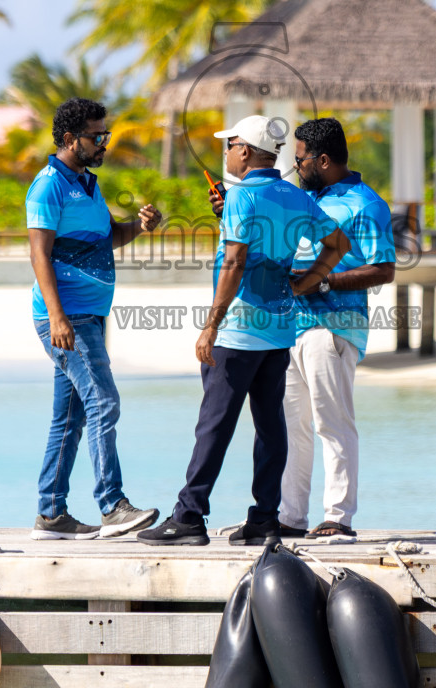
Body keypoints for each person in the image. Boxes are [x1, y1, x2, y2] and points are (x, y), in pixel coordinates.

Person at [138, 116, 349, 547]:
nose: (227, 152)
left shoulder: (242, 198)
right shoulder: (295, 196)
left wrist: (209, 327)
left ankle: (189, 517)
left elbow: (234, 263)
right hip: (279, 332)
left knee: (213, 425)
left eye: (231, 144)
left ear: (247, 151)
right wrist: (305, 281)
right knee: (271, 428)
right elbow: (338, 246)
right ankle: (264, 518)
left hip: (238, 331)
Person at [28, 97, 163, 540]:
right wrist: (57, 316)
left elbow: (108, 238)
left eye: (106, 135)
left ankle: (51, 515)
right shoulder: (48, 185)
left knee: (69, 418)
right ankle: (112, 505)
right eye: (96, 136)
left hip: (89, 317)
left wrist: (139, 227)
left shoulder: (88, 183)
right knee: (104, 402)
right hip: (67, 319)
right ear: (70, 139)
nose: (104, 142)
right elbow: (39, 253)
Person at [278, 118, 395, 542]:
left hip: (334, 327)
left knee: (333, 423)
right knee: (293, 427)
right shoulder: (304, 198)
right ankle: (290, 517)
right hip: (291, 327)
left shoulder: (366, 205)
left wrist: (323, 282)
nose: (294, 167)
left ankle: (338, 518)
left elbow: (384, 270)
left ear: (322, 160)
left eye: (299, 159)